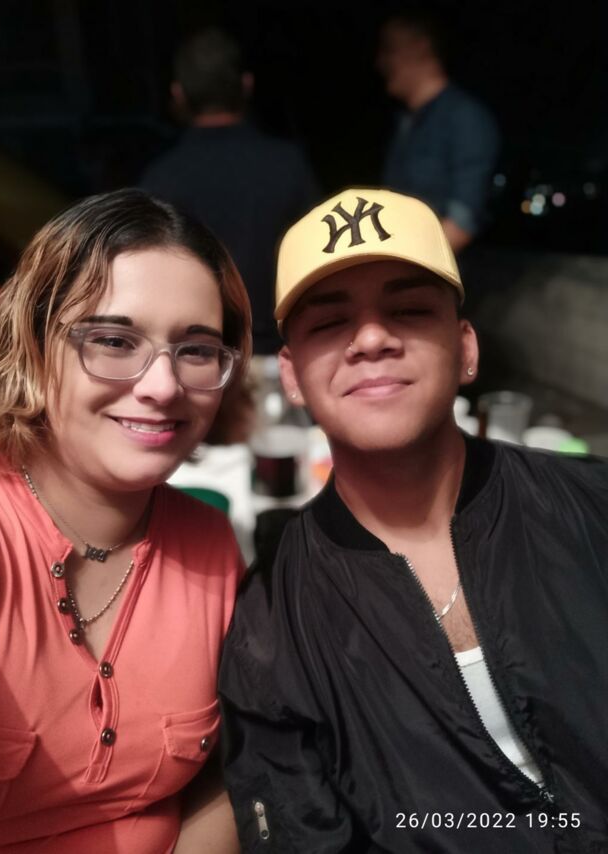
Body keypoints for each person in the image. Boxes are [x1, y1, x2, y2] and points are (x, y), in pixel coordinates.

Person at [219, 188, 608, 852]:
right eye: (330, 322)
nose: (372, 338)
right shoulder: (273, 622)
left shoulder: (591, 507)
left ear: (466, 347)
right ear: (291, 375)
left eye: (408, 310)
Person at [0, 188, 251, 853]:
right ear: (35, 343)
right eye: (115, 341)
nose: (162, 386)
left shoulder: (210, 546)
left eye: (196, 350)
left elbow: (227, 772)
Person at [140, 27, 319, 356]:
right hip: (283, 352)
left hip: (197, 359)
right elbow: (316, 262)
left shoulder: (160, 179)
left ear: (178, 94)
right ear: (247, 85)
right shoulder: (288, 165)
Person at [377, 11, 500, 253]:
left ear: (420, 48)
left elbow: (462, 224)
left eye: (389, 50)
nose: (380, 62)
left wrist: (403, 265)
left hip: (440, 273)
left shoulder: (464, 117)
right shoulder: (406, 124)